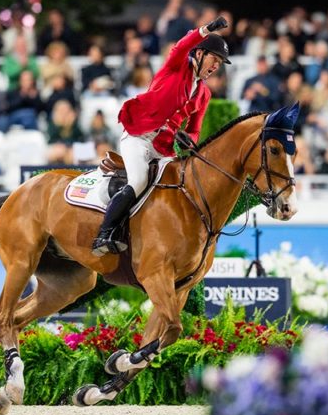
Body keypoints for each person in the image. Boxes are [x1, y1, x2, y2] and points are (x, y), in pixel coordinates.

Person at [91, 16, 230, 256]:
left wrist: (189, 140)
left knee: (177, 187)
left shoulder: (204, 94)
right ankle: (104, 234)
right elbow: (181, 46)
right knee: (138, 181)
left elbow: (194, 128)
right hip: (139, 136)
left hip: (164, 147)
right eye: (214, 59)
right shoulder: (177, 66)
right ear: (199, 54)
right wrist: (205, 30)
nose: (215, 67)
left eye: (219, 63)